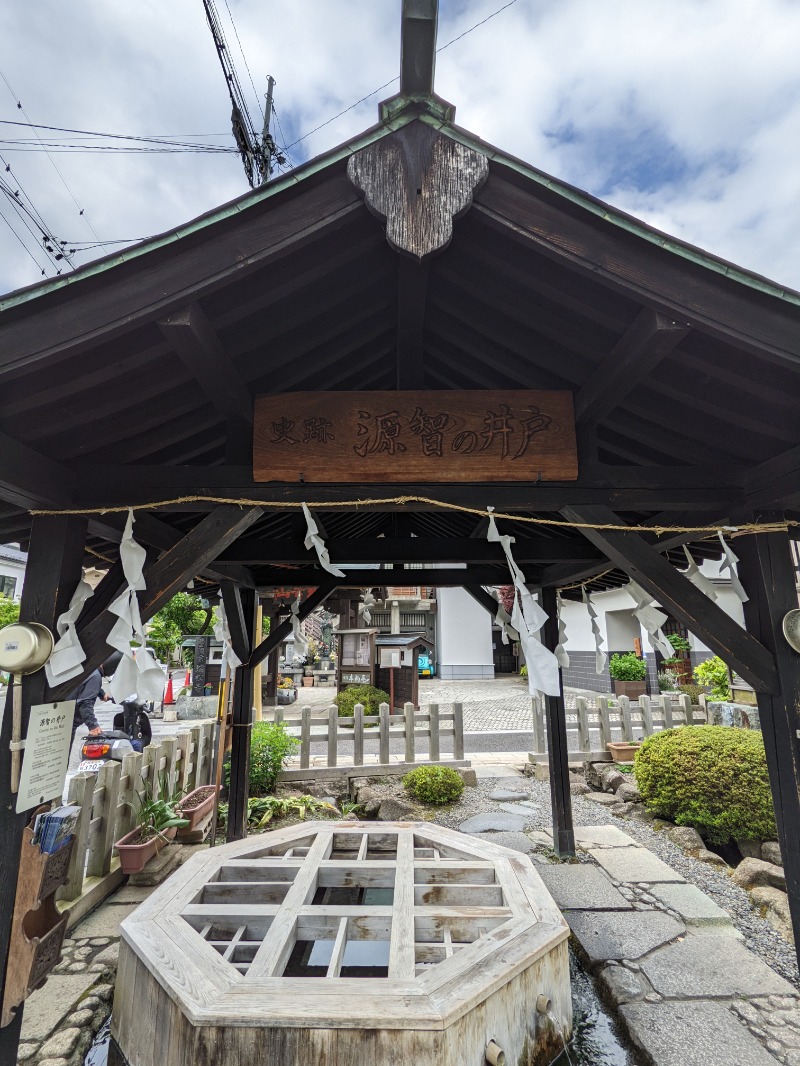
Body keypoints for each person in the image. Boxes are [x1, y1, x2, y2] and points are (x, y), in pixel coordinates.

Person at [68, 653, 122, 748]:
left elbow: (83, 685)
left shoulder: (89, 669)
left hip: (62, 714)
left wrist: (102, 693)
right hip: (68, 721)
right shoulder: (96, 676)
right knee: (62, 754)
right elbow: (85, 703)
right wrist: (93, 725)